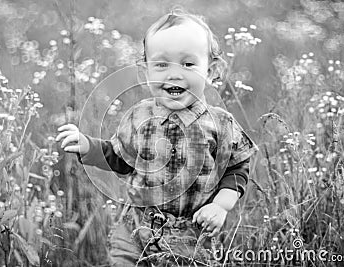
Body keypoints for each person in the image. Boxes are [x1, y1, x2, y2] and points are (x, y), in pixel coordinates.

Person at [56, 8, 258, 266]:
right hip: (136, 228)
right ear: (144, 72)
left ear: (211, 70)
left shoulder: (220, 123)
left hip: (193, 233)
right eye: (161, 64)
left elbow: (237, 167)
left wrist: (221, 205)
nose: (174, 74)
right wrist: (88, 147)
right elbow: (120, 158)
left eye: (188, 64)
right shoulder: (138, 117)